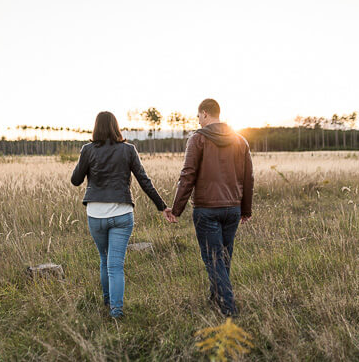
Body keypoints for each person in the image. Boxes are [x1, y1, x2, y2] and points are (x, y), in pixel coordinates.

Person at [71, 111, 172, 318]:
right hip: (122, 214)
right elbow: (145, 181)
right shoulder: (128, 150)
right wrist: (162, 206)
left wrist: (86, 160)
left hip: (96, 215)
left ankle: (107, 302)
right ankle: (116, 311)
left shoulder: (87, 150)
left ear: (96, 127)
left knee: (104, 259)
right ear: (116, 127)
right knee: (115, 265)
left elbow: (75, 180)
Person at [164, 99, 254, 316]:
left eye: (198, 116)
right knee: (223, 258)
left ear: (204, 114)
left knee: (214, 260)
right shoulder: (240, 140)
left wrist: (176, 209)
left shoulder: (198, 139)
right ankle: (215, 299)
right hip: (232, 208)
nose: (198, 120)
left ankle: (229, 309)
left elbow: (187, 175)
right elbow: (248, 178)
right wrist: (245, 209)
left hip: (207, 209)